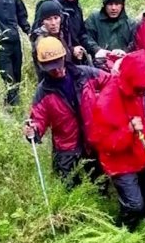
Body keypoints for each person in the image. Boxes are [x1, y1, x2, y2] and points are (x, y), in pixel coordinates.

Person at [88, 51, 145, 230]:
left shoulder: (135, 92)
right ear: (130, 79)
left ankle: (142, 232)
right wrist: (128, 130)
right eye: (141, 87)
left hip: (138, 154)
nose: (144, 91)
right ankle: (121, 235)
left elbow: (140, 122)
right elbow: (103, 144)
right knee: (134, 205)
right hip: (119, 162)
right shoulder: (107, 102)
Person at [25, 37, 106, 186]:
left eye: (57, 63)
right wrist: (33, 130)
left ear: (64, 56)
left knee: (100, 185)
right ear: (42, 65)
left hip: (93, 139)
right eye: (50, 66)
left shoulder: (85, 74)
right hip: (66, 147)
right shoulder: (43, 92)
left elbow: (111, 82)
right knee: (68, 188)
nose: (56, 70)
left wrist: (105, 103)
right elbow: (38, 119)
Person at [30, 0, 88, 78]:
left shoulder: (60, 33)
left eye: (56, 18)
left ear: (61, 18)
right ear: (42, 22)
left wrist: (72, 50)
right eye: (48, 19)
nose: (53, 23)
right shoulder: (42, 41)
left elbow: (60, 54)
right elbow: (52, 67)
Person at [84, 0, 136, 68]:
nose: (114, 8)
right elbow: (85, 37)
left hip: (123, 66)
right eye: (110, 4)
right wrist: (97, 49)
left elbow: (136, 43)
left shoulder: (131, 24)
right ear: (104, 5)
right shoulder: (94, 19)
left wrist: (125, 52)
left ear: (122, 5)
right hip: (99, 66)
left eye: (117, 4)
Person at [46, 0, 91, 66]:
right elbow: (46, 39)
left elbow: (82, 34)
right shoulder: (50, 7)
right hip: (57, 63)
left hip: (77, 59)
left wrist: (95, 49)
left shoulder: (77, 7)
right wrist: (71, 49)